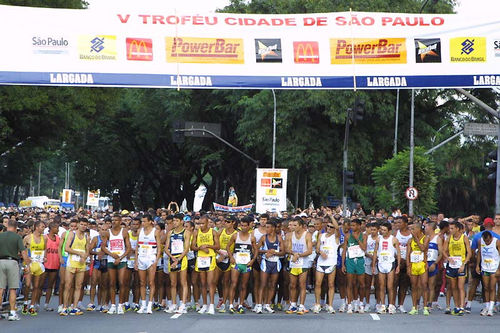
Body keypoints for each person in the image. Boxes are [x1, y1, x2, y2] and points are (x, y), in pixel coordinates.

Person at [101, 213, 131, 315]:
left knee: (122, 282)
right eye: (112, 220)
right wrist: (111, 254)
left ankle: (120, 305)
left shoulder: (124, 232)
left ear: (120, 221)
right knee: (112, 283)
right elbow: (103, 246)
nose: (114, 222)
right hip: (111, 259)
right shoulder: (108, 232)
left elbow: (128, 248)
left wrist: (120, 257)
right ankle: (113, 305)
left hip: (121, 260)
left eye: (116, 220)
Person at [0, 219, 30, 321]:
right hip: (12, 262)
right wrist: (27, 264)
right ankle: (12, 313)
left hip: (1, 261)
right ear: (16, 227)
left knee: (1, 288)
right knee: (13, 288)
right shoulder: (17, 237)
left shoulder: (0, 236)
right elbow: (23, 252)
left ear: (7, 226)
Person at [227, 216, 257, 314]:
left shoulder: (252, 237)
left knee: (244, 285)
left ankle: (240, 305)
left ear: (249, 226)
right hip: (236, 263)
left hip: (246, 264)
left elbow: (256, 250)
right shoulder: (236, 235)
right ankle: (231, 305)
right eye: (242, 225)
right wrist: (231, 257)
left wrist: (252, 260)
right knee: (234, 283)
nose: (243, 227)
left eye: (245, 226)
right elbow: (228, 246)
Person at [191, 215, 220, 315]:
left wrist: (208, 245)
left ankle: (211, 305)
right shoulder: (196, 232)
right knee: (202, 283)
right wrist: (200, 248)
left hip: (210, 258)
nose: (201, 226)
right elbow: (192, 247)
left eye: (203, 223)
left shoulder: (213, 232)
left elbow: (218, 246)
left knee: (210, 283)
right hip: (200, 258)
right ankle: (204, 305)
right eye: (199, 224)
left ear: (208, 223)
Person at [61, 218, 90, 316]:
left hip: (81, 264)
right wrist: (79, 253)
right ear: (78, 224)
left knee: (79, 286)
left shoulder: (86, 236)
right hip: (71, 263)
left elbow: (87, 250)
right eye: (81, 224)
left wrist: (84, 257)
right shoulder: (72, 234)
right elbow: (66, 248)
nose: (83, 226)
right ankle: (65, 307)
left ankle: (74, 307)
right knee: (68, 285)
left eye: (85, 225)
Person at [164, 213, 191, 314]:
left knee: (183, 282)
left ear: (182, 221)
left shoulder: (186, 232)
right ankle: (174, 304)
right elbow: (166, 248)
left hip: (181, 258)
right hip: (172, 258)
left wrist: (178, 260)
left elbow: (186, 248)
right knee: (173, 283)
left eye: (176, 221)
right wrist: (172, 258)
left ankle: (183, 305)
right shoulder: (170, 233)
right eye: (173, 221)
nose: (174, 223)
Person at [312, 215, 340, 314]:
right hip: (321, 262)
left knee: (331, 284)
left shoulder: (336, 237)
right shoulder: (321, 235)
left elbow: (337, 227)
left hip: (331, 262)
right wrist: (320, 252)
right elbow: (317, 248)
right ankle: (317, 304)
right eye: (327, 226)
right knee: (318, 283)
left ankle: (330, 305)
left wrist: (331, 216)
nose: (329, 228)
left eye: (331, 227)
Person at [257, 218, 285, 314]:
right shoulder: (263, 238)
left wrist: (274, 253)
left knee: (273, 285)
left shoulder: (279, 238)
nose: (266, 229)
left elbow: (283, 252)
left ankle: (267, 304)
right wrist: (266, 251)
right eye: (266, 227)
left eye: (268, 227)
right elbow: (256, 250)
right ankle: (259, 305)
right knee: (263, 284)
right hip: (266, 263)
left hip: (276, 263)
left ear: (273, 228)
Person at [286, 216, 313, 315]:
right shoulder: (289, 235)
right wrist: (294, 254)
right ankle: (293, 304)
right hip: (293, 262)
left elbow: (309, 250)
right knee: (292, 284)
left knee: (302, 284)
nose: (293, 227)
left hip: (303, 263)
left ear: (301, 226)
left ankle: (301, 305)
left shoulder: (307, 235)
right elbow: (287, 248)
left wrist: (299, 255)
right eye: (292, 225)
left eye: (295, 225)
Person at [135, 214, 161, 314]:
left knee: (151, 282)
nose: (143, 223)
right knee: (142, 282)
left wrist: (156, 261)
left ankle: (150, 305)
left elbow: (159, 247)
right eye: (142, 221)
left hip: (151, 258)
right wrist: (136, 260)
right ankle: (143, 305)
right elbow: (137, 246)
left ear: (150, 221)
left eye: (145, 221)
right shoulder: (139, 231)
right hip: (141, 257)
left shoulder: (156, 231)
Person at [443, 221, 471, 316]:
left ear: (457, 229)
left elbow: (469, 253)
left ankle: (462, 307)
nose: (450, 230)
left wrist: (464, 264)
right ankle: (457, 306)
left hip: (461, 264)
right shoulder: (449, 238)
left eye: (452, 228)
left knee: (460, 286)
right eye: (449, 228)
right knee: (453, 286)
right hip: (452, 264)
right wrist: (448, 258)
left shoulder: (464, 238)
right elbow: (443, 250)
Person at [342, 218, 367, 314]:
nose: (351, 227)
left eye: (354, 225)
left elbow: (364, 248)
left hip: (360, 260)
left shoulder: (363, 236)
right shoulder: (347, 236)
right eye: (351, 225)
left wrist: (357, 239)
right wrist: (343, 264)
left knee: (361, 284)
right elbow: (344, 250)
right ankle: (349, 305)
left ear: (359, 226)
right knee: (350, 283)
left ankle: (360, 303)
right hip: (350, 261)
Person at [375, 222, 400, 314]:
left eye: (384, 230)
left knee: (390, 286)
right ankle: (383, 305)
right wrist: (374, 263)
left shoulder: (394, 239)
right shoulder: (378, 239)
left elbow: (398, 253)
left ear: (389, 231)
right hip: (381, 262)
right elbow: (375, 251)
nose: (382, 231)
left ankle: (391, 305)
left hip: (390, 263)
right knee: (381, 286)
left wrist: (398, 266)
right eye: (381, 229)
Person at [23, 220, 46, 316]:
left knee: (36, 286)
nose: (44, 228)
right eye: (42, 227)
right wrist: (26, 259)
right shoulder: (28, 238)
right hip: (29, 264)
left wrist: (45, 257)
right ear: (36, 227)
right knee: (28, 285)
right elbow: (22, 250)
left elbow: (45, 249)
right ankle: (25, 303)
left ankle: (32, 306)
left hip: (39, 264)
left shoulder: (45, 238)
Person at [215, 215, 237, 313]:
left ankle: (224, 302)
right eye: (225, 221)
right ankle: (221, 298)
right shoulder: (221, 231)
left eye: (228, 222)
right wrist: (220, 253)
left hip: (229, 258)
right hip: (219, 257)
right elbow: (215, 244)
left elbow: (237, 248)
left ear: (233, 223)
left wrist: (227, 256)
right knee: (216, 281)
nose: (226, 223)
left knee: (226, 282)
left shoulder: (236, 234)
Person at [407, 222, 430, 315]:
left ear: (419, 229)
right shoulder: (410, 240)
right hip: (413, 264)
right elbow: (408, 254)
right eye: (411, 229)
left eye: (413, 229)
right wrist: (408, 266)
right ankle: (414, 307)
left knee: (424, 285)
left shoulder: (426, 238)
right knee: (414, 286)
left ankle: (425, 307)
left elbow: (423, 248)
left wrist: (416, 239)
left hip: (422, 264)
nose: (411, 231)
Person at [476, 231, 500, 316]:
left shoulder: (496, 242)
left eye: (488, 241)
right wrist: (477, 266)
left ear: (491, 238)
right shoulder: (480, 241)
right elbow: (479, 253)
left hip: (494, 268)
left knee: (492, 287)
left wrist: (498, 269)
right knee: (485, 287)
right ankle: (486, 306)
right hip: (485, 267)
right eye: (485, 241)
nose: (487, 242)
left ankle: (491, 308)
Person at [394, 216, 412, 313]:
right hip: (397, 260)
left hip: (408, 261)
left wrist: (407, 260)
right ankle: (391, 304)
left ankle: (400, 305)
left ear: (405, 223)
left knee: (404, 284)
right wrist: (398, 258)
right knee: (394, 283)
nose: (398, 225)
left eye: (400, 223)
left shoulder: (411, 234)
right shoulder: (396, 233)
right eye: (396, 223)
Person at [43, 221, 61, 312]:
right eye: (56, 228)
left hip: (55, 264)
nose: (58, 229)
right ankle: (35, 304)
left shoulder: (58, 238)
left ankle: (46, 304)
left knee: (50, 285)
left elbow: (60, 250)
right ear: (52, 228)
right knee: (39, 285)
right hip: (45, 264)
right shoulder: (45, 238)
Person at [425, 221, 442, 311]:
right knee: (423, 284)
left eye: (426, 227)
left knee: (431, 285)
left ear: (431, 228)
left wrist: (435, 263)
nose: (425, 228)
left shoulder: (437, 238)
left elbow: (440, 253)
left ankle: (429, 304)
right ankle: (423, 302)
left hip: (432, 262)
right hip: (424, 262)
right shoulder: (425, 238)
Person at [124, 217, 140, 311]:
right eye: (133, 224)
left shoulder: (142, 235)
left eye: (137, 224)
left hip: (138, 260)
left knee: (137, 283)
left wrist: (135, 250)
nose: (135, 226)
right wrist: (129, 250)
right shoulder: (127, 234)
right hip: (128, 260)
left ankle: (136, 303)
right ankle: (126, 303)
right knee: (126, 283)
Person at [364, 222, 379, 312]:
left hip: (378, 262)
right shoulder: (367, 238)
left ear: (378, 230)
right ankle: (367, 303)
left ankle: (378, 303)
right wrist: (370, 256)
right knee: (367, 284)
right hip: (368, 260)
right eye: (371, 229)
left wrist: (375, 259)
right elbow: (364, 250)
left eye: (374, 230)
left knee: (378, 285)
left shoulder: (380, 238)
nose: (372, 231)